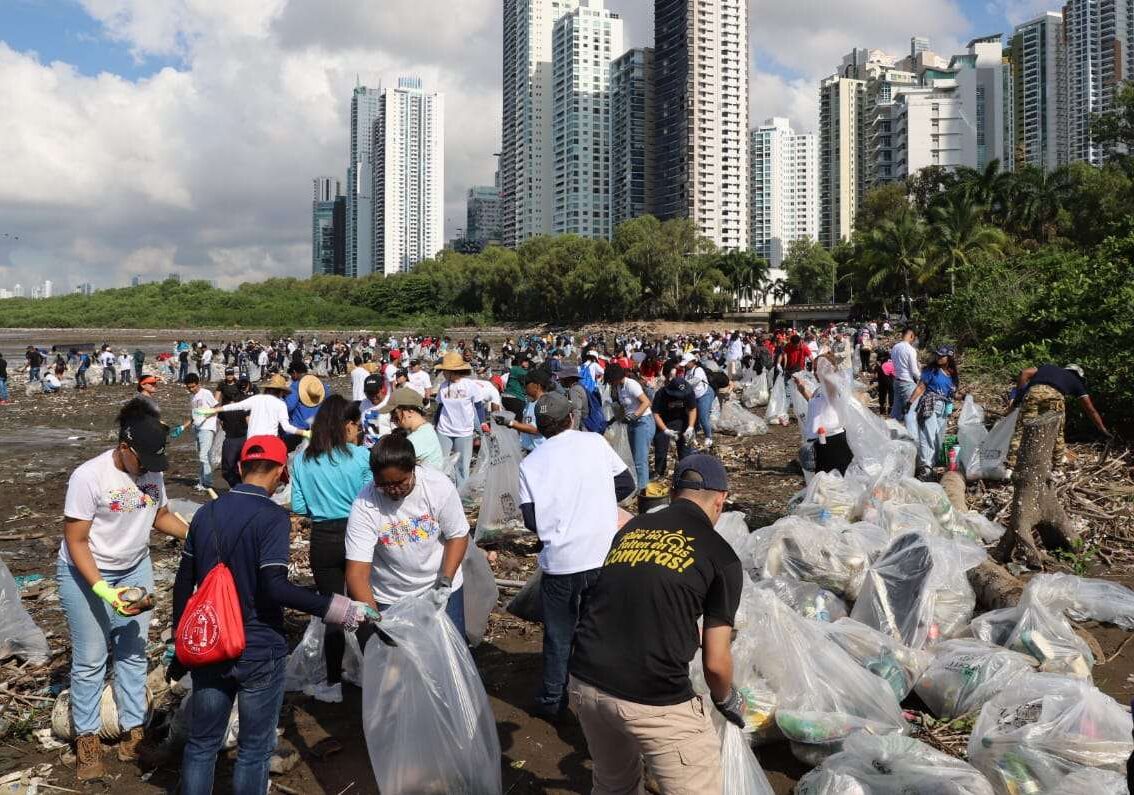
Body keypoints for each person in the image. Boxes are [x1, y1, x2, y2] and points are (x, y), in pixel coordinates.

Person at [172, 436, 376, 794]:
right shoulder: (272, 517)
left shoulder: (205, 515)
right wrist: (339, 608)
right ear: (282, 472)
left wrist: (181, 644)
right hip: (259, 645)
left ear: (240, 467)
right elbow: (275, 587)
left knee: (202, 745)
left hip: (210, 645)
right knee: (254, 749)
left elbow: (182, 584)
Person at [568, 455, 744, 795]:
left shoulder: (631, 529)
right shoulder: (721, 555)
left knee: (613, 785)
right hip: (654, 697)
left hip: (585, 681)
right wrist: (728, 700)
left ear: (673, 493)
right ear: (719, 501)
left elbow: (629, 596)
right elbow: (716, 663)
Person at [60, 399, 189, 780]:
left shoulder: (151, 472)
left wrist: (196, 533)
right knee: (91, 660)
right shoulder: (89, 477)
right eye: (143, 459)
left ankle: (134, 733)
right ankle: (87, 740)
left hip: (135, 567)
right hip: (87, 573)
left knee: (133, 652)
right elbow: (76, 540)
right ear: (124, 448)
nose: (149, 468)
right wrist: (103, 589)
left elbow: (160, 515)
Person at [518, 393, 635, 720]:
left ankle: (553, 700)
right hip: (603, 556)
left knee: (558, 635)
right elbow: (626, 484)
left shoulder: (530, 464)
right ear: (571, 417)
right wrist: (595, 504)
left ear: (539, 429)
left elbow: (531, 520)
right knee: (604, 629)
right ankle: (607, 695)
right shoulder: (594, 443)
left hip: (561, 564)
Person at [345, 432, 471, 641]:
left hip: (439, 588)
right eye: (383, 485)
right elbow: (356, 574)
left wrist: (446, 581)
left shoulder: (437, 486)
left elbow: (457, 535)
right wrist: (377, 619)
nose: (392, 490)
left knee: (449, 652)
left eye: (399, 482)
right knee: (397, 665)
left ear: (412, 469)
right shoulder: (365, 505)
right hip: (391, 597)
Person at [289, 396, 372, 703]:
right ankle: (377, 675)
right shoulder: (361, 456)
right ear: (346, 424)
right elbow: (371, 496)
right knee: (363, 606)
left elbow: (298, 505)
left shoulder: (302, 459)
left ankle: (334, 683)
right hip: (357, 535)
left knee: (335, 613)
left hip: (323, 539)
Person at [1005, 363, 1111, 473]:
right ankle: (1057, 469)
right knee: (1057, 433)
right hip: (1055, 397)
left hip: (1033, 393)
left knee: (1021, 430)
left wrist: (1019, 396)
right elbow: (1090, 410)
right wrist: (1102, 429)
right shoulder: (1076, 381)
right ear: (1078, 375)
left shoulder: (1047, 367)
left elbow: (1024, 373)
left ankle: (1010, 468)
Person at [432, 352, 488, 489]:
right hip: (444, 430)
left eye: (445, 370)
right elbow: (440, 406)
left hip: (464, 431)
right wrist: (435, 424)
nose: (443, 373)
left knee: (462, 466)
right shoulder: (444, 386)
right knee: (440, 463)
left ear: (453, 371)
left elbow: (479, 406)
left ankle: (461, 495)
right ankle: (441, 491)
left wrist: (483, 423)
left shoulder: (469, 385)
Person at [905, 346, 961, 479]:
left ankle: (933, 465)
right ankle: (926, 467)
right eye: (938, 355)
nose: (939, 358)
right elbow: (921, 387)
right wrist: (910, 402)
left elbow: (953, 393)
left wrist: (965, 397)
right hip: (929, 404)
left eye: (942, 356)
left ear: (949, 358)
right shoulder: (931, 370)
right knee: (927, 435)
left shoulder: (951, 374)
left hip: (944, 408)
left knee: (938, 437)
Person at [203, 374, 308, 440]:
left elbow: (234, 406)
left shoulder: (256, 399)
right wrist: (305, 432)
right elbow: (287, 427)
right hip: (270, 441)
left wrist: (214, 410)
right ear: (281, 392)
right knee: (282, 464)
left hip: (251, 441)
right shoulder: (281, 404)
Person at [796, 357, 853, 475]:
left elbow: (833, 387)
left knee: (836, 480)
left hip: (833, 440)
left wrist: (828, 372)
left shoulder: (832, 387)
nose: (815, 372)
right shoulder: (819, 389)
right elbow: (815, 404)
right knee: (823, 481)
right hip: (820, 441)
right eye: (814, 369)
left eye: (818, 369)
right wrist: (802, 390)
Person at [605, 364, 654, 488]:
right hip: (632, 424)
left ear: (616, 377)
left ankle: (642, 489)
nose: (610, 383)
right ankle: (640, 485)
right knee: (635, 457)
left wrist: (635, 415)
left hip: (643, 422)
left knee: (640, 460)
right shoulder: (620, 387)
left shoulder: (631, 384)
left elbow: (646, 402)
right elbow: (625, 407)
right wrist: (613, 420)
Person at [651, 363, 698, 479]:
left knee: (685, 449)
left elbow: (692, 409)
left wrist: (690, 427)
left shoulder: (689, 392)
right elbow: (656, 414)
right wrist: (666, 430)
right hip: (664, 421)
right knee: (661, 449)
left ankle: (685, 474)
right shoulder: (661, 394)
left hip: (683, 420)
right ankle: (659, 472)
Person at [175, 374, 218, 492]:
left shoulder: (206, 393)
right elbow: (194, 416)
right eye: (188, 387)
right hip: (197, 428)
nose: (191, 389)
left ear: (198, 383)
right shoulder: (192, 397)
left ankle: (208, 484)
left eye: (193, 387)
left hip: (207, 427)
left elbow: (216, 407)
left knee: (204, 456)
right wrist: (182, 427)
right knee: (201, 457)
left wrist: (204, 416)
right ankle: (201, 482)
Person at [384, 386, 444, 469]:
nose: (392, 420)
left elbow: (391, 465)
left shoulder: (416, 439)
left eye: (394, 414)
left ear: (409, 410)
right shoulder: (427, 428)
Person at [214, 369, 252, 488]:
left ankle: (240, 487)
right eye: (227, 374)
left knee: (234, 467)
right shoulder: (223, 387)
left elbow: (248, 419)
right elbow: (221, 419)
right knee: (230, 469)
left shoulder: (243, 405)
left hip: (240, 437)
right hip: (234, 437)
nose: (229, 376)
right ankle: (239, 487)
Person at [890, 326, 921, 437]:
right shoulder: (910, 349)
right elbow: (914, 370)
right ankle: (913, 440)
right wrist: (923, 380)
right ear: (912, 336)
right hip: (907, 383)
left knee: (896, 413)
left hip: (897, 381)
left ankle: (893, 437)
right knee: (910, 413)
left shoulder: (895, 347)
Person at [682, 353, 715, 450]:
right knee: (693, 419)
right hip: (694, 396)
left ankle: (708, 437)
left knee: (703, 417)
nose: (685, 366)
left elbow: (696, 380)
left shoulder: (698, 370)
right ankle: (693, 438)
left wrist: (683, 384)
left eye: (687, 363)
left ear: (692, 362)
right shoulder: (687, 371)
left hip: (704, 394)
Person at [359, 373, 390, 448]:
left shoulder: (391, 403)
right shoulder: (364, 404)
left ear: (382, 389)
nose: (372, 396)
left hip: (386, 450)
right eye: (369, 393)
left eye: (375, 392)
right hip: (367, 449)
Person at [557, 365, 589, 431]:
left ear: (568, 379)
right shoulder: (578, 386)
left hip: (583, 426)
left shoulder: (575, 390)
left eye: (561, 378)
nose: (560, 381)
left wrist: (574, 431)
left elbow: (576, 412)